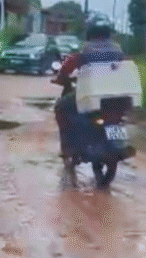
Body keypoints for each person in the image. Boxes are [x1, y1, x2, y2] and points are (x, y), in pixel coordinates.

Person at [51, 13, 125, 155]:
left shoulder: (87, 49)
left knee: (61, 107)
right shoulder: (118, 50)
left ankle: (67, 146)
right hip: (116, 96)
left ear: (90, 32)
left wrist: (60, 78)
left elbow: (69, 66)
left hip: (92, 95)